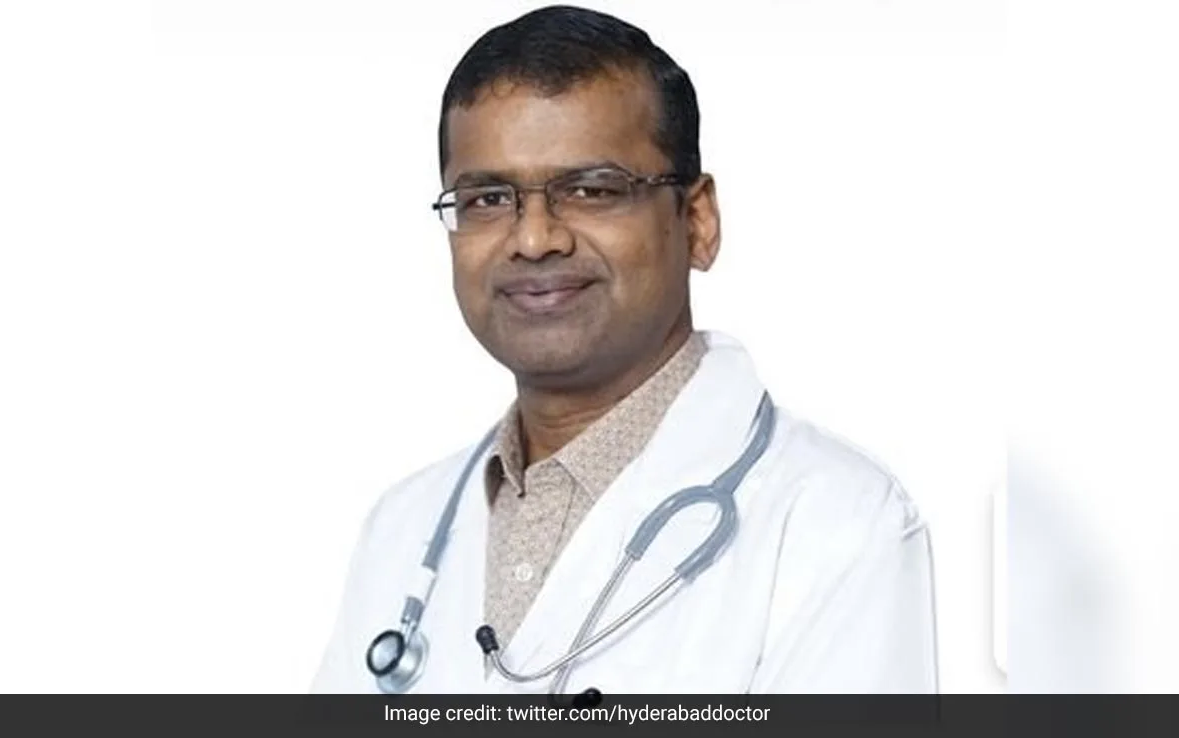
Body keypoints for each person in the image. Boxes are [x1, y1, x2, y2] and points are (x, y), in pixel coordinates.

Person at [312, 4, 937, 695]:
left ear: (697, 222)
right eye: (488, 199)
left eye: (591, 190)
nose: (534, 238)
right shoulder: (402, 529)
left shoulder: (839, 524)